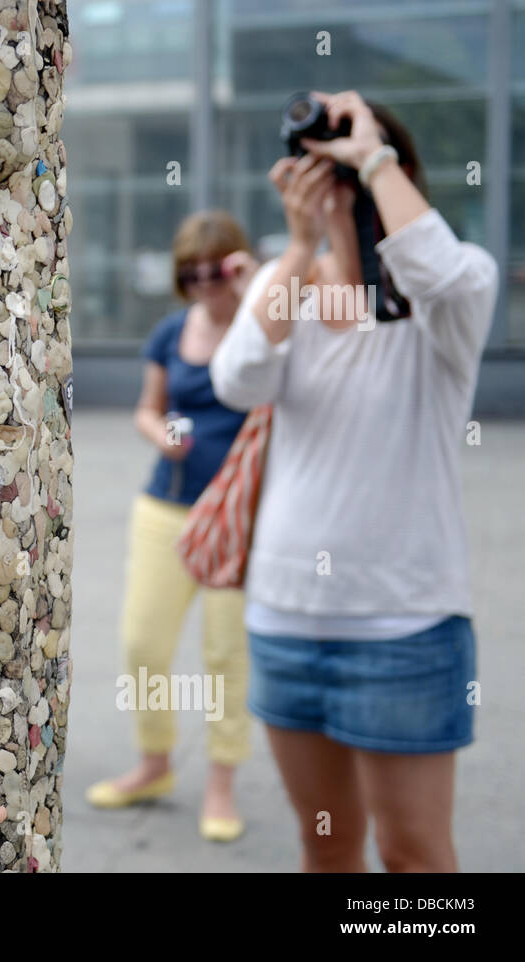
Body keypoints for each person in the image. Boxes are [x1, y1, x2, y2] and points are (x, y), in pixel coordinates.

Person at [210, 91, 497, 872]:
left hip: (402, 629)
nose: (329, 180)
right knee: (325, 846)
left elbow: (442, 275)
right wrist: (301, 248)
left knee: (414, 858)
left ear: (396, 175)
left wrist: (371, 156)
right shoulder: (289, 284)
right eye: (318, 165)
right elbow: (236, 380)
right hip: (285, 620)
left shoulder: (449, 296)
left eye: (348, 167)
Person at [86, 210, 259, 842]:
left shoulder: (261, 331)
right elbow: (146, 409)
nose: (206, 283)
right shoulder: (169, 332)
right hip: (165, 504)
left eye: (219, 270)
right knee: (143, 644)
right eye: (194, 272)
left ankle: (221, 783)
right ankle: (154, 763)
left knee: (223, 653)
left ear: (237, 267)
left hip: (236, 513)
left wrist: (259, 289)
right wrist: (162, 436)